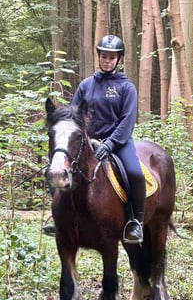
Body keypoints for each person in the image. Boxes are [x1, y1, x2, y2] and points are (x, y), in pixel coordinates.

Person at [44, 34, 146, 244]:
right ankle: (59, 218)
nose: (107, 60)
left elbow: (127, 121)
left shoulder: (126, 88)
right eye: (104, 56)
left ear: (119, 59)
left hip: (117, 142)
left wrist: (110, 144)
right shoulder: (86, 85)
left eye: (112, 57)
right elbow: (73, 117)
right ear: (98, 57)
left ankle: (136, 222)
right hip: (86, 142)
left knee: (135, 173)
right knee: (56, 168)